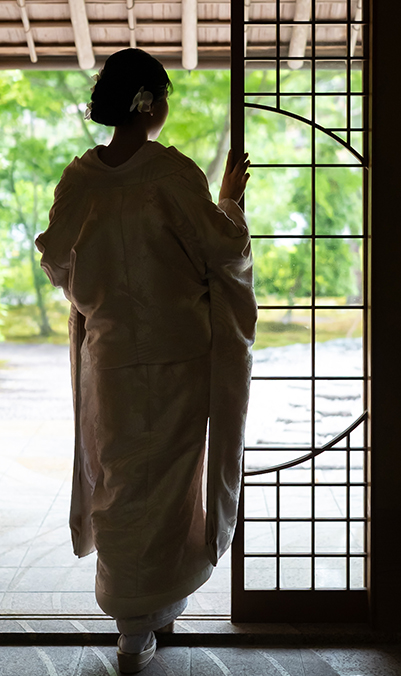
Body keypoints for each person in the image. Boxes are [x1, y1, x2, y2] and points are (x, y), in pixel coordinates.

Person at [35, 48, 257, 673]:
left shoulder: (81, 180)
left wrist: (97, 286)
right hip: (179, 355)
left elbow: (56, 261)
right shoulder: (171, 174)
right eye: (163, 95)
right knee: (167, 484)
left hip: (111, 357)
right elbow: (222, 248)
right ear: (149, 103)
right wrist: (231, 199)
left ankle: (143, 620)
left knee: (122, 480)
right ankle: (145, 620)